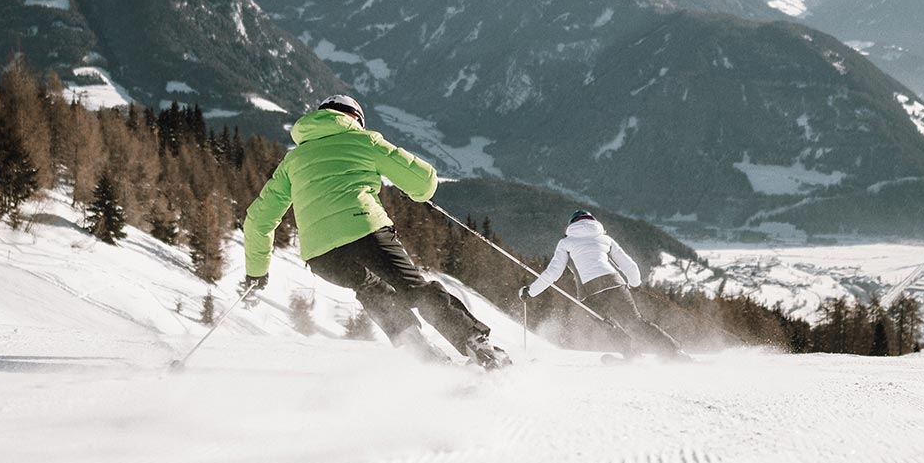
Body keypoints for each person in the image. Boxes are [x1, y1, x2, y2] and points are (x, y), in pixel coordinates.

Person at [242, 95, 511, 370]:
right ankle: (478, 346)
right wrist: (419, 193)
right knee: (414, 288)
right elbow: (425, 180)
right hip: (366, 231)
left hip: (320, 254)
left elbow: (257, 221)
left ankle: (422, 355)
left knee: (370, 289)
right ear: (355, 119)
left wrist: (256, 273)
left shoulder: (293, 160)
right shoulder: (364, 141)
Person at [522, 210, 685, 359]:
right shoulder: (605, 239)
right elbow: (629, 265)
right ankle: (674, 352)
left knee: (607, 325)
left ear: (571, 225)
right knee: (635, 322)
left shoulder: (566, 243)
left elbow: (553, 273)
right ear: (594, 222)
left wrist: (530, 292)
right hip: (614, 284)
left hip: (589, 293)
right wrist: (634, 284)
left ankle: (631, 356)